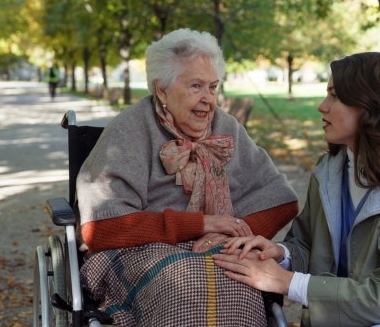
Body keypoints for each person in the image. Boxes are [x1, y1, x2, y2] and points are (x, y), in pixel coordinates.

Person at [212, 52, 380, 327]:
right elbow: (307, 244)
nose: (322, 106)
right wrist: (282, 255)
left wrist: (289, 282)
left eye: (335, 96)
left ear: (371, 106)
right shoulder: (329, 171)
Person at [76, 28, 299, 326]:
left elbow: (281, 200)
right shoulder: (129, 130)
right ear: (162, 89)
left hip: (215, 248)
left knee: (239, 281)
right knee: (180, 287)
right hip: (138, 249)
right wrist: (201, 224)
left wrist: (237, 232)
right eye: (196, 86)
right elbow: (99, 228)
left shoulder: (226, 127)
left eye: (213, 87)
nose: (208, 99)